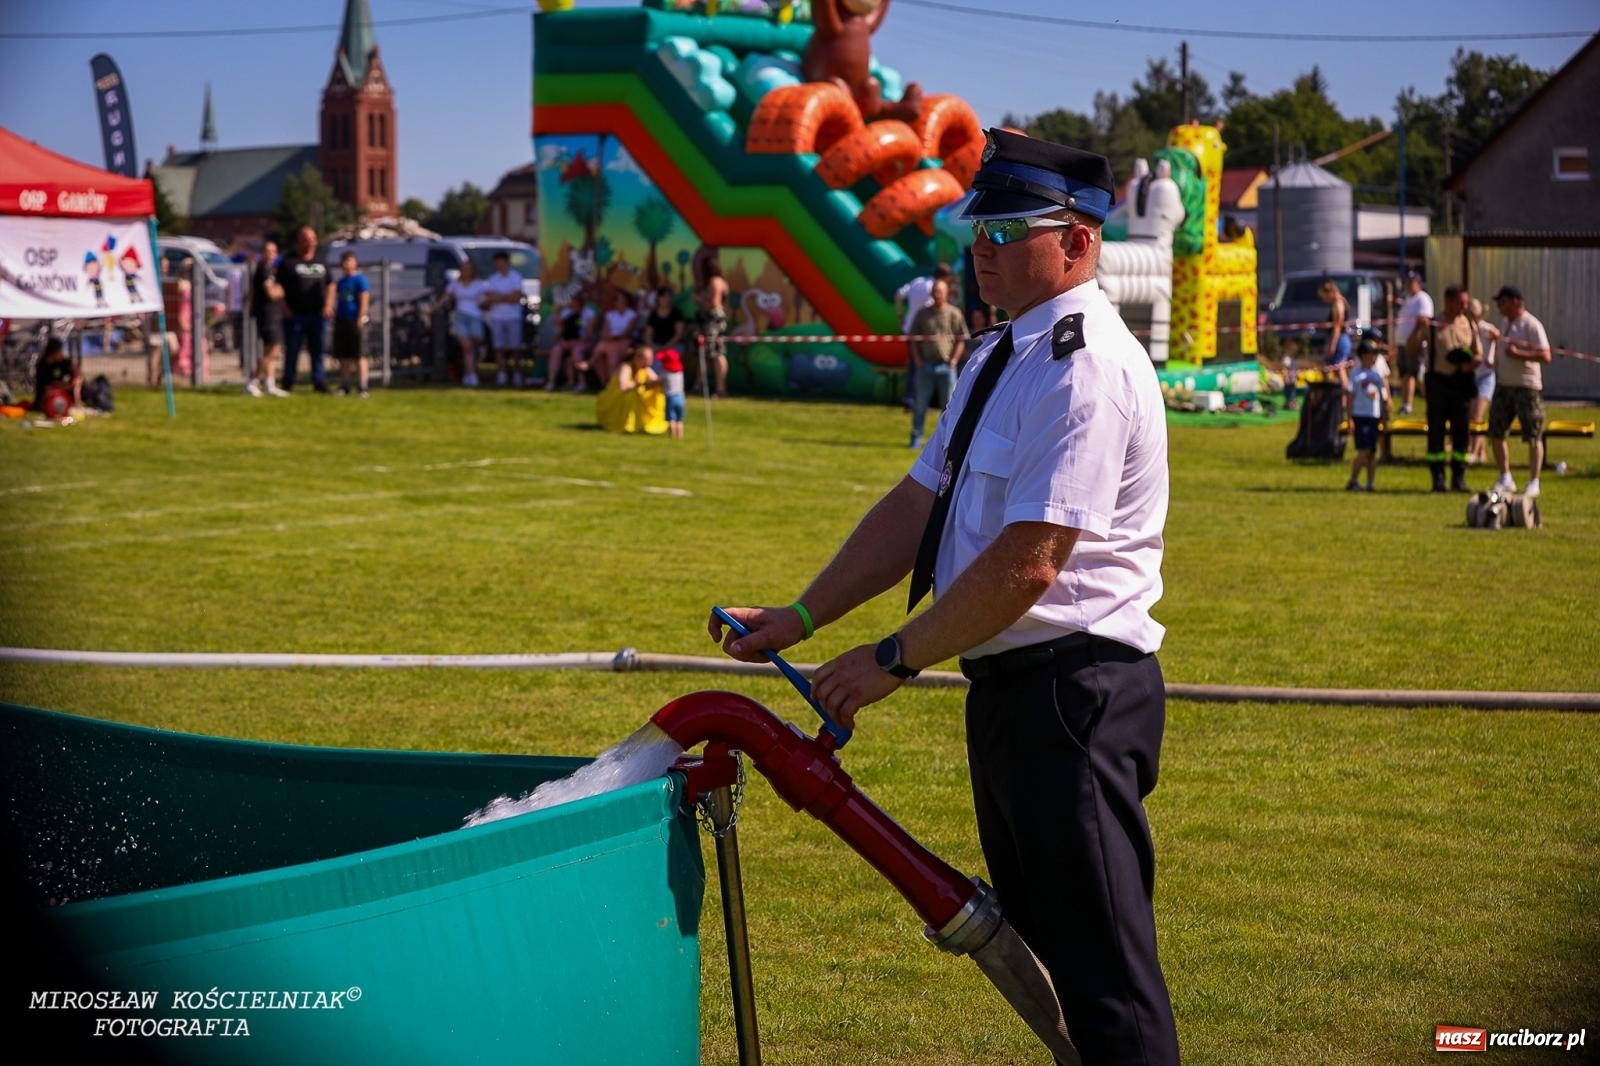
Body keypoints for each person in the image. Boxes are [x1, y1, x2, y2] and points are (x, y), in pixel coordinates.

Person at [709, 129, 1179, 1066]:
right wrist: (801, 619)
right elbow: (916, 507)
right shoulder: (1001, 354)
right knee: (1049, 966)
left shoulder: (1086, 366)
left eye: (1010, 229)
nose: (985, 248)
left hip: (1076, 693)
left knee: (1106, 985)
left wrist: (891, 658)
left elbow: (1033, 559)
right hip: (1013, 693)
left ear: (1078, 240)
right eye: (980, 229)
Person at [1409, 284, 1480, 493]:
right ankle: (1437, 479)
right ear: (1448, 301)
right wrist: (1416, 328)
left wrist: (1469, 363)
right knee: (1437, 433)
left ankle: (1459, 478)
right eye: (1461, 302)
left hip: (1461, 384)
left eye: (1466, 302)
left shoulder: (1469, 324)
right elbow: (1411, 349)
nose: (1464, 306)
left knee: (1461, 433)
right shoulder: (1432, 324)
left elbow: (1479, 354)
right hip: (1438, 383)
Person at [1488, 285, 1552, 499]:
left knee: (1533, 435)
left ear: (1516, 301)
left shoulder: (1531, 324)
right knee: (1496, 432)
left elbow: (1546, 355)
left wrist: (1519, 354)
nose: (1499, 307)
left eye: (1503, 302)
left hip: (1527, 386)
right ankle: (1505, 477)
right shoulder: (1505, 323)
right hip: (1504, 385)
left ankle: (1534, 481)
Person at [907, 277, 968, 449]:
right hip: (925, 365)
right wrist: (917, 360)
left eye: (940, 291)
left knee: (948, 406)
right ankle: (916, 438)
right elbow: (913, 339)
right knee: (920, 404)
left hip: (947, 366)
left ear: (946, 294)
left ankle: (946, 442)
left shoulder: (954, 313)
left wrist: (954, 360)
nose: (937, 294)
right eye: (934, 291)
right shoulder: (922, 314)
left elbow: (961, 339)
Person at [277, 227, 331, 394]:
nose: (309, 242)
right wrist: (283, 306)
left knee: (318, 350)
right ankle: (288, 381)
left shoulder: (321, 261)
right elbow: (278, 286)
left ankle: (319, 381)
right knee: (292, 349)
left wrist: (328, 304)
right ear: (298, 241)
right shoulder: (288, 262)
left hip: (317, 314)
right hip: (295, 314)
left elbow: (331, 283)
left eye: (311, 238)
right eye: (305, 239)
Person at [897, 262, 954, 404]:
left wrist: (900, 316)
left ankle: (911, 398)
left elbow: (898, 295)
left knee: (913, 365)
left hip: (909, 329)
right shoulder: (935, 289)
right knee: (923, 368)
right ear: (944, 276)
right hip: (926, 332)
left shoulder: (917, 281)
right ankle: (921, 400)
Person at [595, 339, 667, 435]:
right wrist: (640, 384)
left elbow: (653, 380)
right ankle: (628, 424)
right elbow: (623, 386)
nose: (648, 362)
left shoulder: (646, 369)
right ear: (636, 358)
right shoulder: (626, 367)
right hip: (616, 398)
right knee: (631, 395)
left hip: (633, 397)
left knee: (657, 392)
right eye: (646, 359)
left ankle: (648, 422)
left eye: (650, 359)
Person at [245, 242, 288, 397]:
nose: (270, 254)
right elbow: (271, 293)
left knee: (270, 349)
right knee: (274, 348)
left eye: (273, 251)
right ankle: (253, 380)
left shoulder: (269, 269)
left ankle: (270, 384)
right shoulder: (263, 269)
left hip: (271, 312)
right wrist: (285, 289)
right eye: (267, 251)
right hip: (267, 313)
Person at [1345, 337, 1388, 491]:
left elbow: (1382, 397)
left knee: (1372, 452)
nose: (1375, 356)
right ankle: (1353, 480)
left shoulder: (1377, 375)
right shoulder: (1356, 375)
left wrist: (1384, 415)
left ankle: (1370, 483)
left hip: (1374, 416)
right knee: (1364, 450)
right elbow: (1349, 398)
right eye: (1372, 353)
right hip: (1360, 415)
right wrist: (1349, 419)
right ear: (1363, 355)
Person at [483, 251, 527, 387]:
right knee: (498, 348)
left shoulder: (516, 277)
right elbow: (489, 298)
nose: (498, 264)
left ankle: (517, 374)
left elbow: (516, 298)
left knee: (515, 347)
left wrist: (499, 297)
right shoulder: (492, 278)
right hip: (497, 317)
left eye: (500, 261)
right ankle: (501, 374)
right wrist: (506, 297)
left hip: (513, 317)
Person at [1465, 296, 1500, 465]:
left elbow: (1499, 339)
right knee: (1472, 415)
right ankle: (1481, 453)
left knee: (1477, 415)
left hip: (1486, 376)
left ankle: (1473, 452)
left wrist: (1493, 354)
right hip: (1471, 376)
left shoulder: (1486, 329)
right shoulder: (1464, 328)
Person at [331, 251, 371, 398]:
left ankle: (363, 386)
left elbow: (364, 299)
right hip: (342, 320)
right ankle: (345, 385)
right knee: (344, 356)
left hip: (355, 320)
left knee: (359, 354)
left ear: (355, 262)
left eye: (349, 260)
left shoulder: (360, 280)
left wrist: (360, 317)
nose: (346, 264)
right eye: (344, 261)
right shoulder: (341, 282)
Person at [1394, 270, 1432, 415]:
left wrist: (1415, 340)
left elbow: (1424, 321)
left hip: (1415, 344)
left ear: (1418, 283)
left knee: (1414, 374)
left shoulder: (1423, 299)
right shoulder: (1408, 300)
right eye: (1407, 282)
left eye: (1411, 282)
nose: (1408, 285)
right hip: (1403, 343)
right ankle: (1405, 405)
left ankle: (1429, 402)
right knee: (1405, 374)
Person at [446, 259, 488, 387]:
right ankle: (471, 374)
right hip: (460, 317)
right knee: (467, 347)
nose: (466, 271)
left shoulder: (479, 284)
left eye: (468, 269)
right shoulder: (455, 284)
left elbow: (487, 299)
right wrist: (432, 308)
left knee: (473, 348)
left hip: (475, 317)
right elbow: (445, 297)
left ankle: (470, 372)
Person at [547, 290, 597, 392]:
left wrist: (574, 343)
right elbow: (560, 328)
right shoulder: (567, 313)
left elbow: (588, 335)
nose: (572, 305)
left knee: (576, 352)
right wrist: (562, 342)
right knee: (556, 350)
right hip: (566, 341)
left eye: (575, 303)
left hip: (583, 343)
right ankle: (551, 382)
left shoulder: (590, 314)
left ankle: (581, 383)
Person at [695, 256, 730, 397]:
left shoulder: (715, 282)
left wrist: (698, 299)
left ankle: (720, 388)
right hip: (711, 320)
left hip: (713, 321)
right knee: (706, 353)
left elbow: (714, 303)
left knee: (716, 353)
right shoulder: (721, 281)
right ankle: (698, 385)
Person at [592, 289, 639, 385]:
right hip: (609, 341)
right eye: (618, 300)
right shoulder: (610, 315)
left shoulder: (632, 314)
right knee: (600, 359)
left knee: (611, 351)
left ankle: (612, 383)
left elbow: (627, 332)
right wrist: (609, 338)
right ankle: (606, 383)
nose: (620, 302)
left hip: (625, 341)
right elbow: (604, 331)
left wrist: (614, 338)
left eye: (622, 300)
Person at [1318, 277, 1353, 392]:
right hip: (1341, 339)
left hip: (1340, 339)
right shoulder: (1342, 301)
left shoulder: (1338, 303)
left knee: (1338, 368)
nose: (1324, 300)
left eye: (1324, 296)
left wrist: (1332, 345)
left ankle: (1344, 395)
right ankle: (1336, 393)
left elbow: (1337, 325)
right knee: (1330, 368)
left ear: (1330, 292)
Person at [31, 338, 81, 413]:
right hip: (47, 395)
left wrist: (76, 377)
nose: (61, 353)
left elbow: (74, 368)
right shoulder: (43, 366)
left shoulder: (62, 362)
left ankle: (76, 404)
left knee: (78, 382)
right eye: (59, 351)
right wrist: (69, 386)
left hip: (62, 391)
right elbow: (51, 384)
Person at [658, 343, 686, 439]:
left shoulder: (665, 373)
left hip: (670, 397)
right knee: (679, 419)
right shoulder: (679, 372)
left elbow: (657, 381)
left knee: (671, 419)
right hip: (681, 397)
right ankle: (680, 436)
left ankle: (672, 436)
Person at [1279, 333, 1303, 410]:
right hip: (1289, 380)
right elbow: (1284, 368)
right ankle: (1290, 404)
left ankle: (1289, 403)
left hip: (1292, 379)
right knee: (1290, 393)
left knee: (1292, 393)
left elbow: (1293, 368)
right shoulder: (1287, 358)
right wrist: (1286, 377)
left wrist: (1297, 373)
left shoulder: (1291, 358)